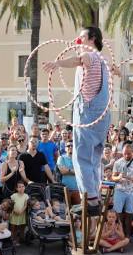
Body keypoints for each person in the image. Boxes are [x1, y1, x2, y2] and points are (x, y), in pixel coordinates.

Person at [42, 27, 120, 216]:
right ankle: (95, 196)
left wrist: (57, 63)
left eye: (82, 36)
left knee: (80, 157)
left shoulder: (89, 55)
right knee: (94, 158)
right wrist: (117, 71)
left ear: (92, 39)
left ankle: (91, 200)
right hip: (103, 114)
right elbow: (115, 70)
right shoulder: (104, 59)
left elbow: (80, 60)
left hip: (88, 112)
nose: (78, 39)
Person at [112, 142, 133, 236]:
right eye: (124, 153)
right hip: (119, 191)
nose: (126, 155)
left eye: (128, 154)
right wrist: (119, 177)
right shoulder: (118, 162)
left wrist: (129, 178)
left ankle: (127, 233)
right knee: (118, 212)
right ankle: (118, 232)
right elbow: (113, 177)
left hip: (131, 192)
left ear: (132, 152)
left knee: (129, 213)